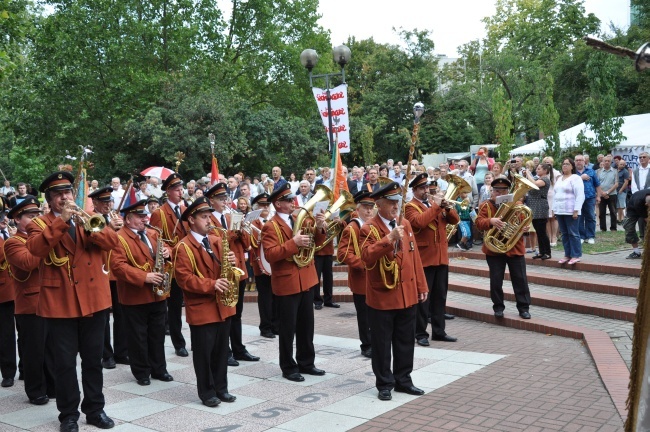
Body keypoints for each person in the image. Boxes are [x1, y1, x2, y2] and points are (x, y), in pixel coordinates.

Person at [26, 170, 119, 432]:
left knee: (93, 361)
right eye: (58, 195)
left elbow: (112, 242)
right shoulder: (40, 224)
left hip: (93, 300)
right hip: (60, 302)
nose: (64, 198)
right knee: (64, 364)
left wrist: (88, 225)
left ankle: (95, 409)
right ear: (49, 199)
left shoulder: (87, 218)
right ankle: (68, 414)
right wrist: (61, 223)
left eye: (67, 193)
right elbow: (35, 250)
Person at [359, 181, 428, 401]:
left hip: (406, 293)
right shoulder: (368, 228)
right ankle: (384, 383)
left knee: (405, 340)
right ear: (379, 204)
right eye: (390, 202)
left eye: (397, 201)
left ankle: (404, 380)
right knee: (381, 343)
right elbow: (367, 256)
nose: (396, 206)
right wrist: (388, 239)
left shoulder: (405, 223)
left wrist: (421, 285)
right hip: (383, 295)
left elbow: (414, 257)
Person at [173, 197, 238, 407]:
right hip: (202, 308)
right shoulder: (183, 247)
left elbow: (227, 265)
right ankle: (207, 392)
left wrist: (232, 261)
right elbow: (184, 279)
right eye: (204, 217)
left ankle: (222, 388)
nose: (209, 221)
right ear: (191, 220)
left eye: (209, 216)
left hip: (222, 306)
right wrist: (212, 285)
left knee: (221, 351)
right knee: (204, 354)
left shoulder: (216, 240)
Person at [261, 183, 327, 383]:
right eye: (289, 200)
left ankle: (307, 362)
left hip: (306, 278)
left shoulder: (298, 219)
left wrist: (321, 226)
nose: (293, 203)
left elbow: (316, 241)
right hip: (287, 283)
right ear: (278, 203)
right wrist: (294, 243)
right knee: (288, 329)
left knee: (307, 325)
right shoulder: (269, 226)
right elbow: (271, 255)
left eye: (292, 199)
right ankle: (288, 367)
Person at [110, 200, 173, 387]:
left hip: (157, 293)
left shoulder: (153, 234)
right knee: (137, 336)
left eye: (144, 215)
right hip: (135, 295)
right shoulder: (119, 238)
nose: (144, 219)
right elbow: (118, 267)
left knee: (157, 333)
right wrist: (144, 277)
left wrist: (167, 253)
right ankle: (142, 372)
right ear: (128, 219)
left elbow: (165, 255)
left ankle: (159, 368)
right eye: (140, 216)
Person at [5, 197, 56, 404]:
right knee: (34, 350)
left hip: (53, 299)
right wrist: (46, 241)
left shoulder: (44, 237)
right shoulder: (13, 242)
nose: (36, 220)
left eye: (37, 215)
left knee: (54, 349)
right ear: (17, 220)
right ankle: (35, 390)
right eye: (30, 216)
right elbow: (27, 262)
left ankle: (53, 386)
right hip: (30, 303)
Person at [205, 183, 258, 367]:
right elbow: (214, 242)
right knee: (225, 314)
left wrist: (243, 228)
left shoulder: (230, 216)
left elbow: (246, 244)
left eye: (225, 198)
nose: (225, 202)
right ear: (211, 200)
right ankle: (224, 351)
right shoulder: (208, 219)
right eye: (220, 199)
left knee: (237, 313)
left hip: (238, 270)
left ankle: (238, 348)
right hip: (223, 270)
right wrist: (232, 232)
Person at [404, 174, 459, 346]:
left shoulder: (436, 206)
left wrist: (448, 208)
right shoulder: (410, 207)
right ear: (414, 190)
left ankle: (439, 331)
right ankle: (420, 333)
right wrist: (436, 206)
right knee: (423, 299)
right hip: (424, 259)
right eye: (422, 188)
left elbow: (455, 220)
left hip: (441, 258)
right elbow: (419, 222)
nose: (426, 191)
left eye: (427, 188)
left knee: (440, 297)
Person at [475, 177, 532, 319]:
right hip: (493, 249)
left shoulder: (517, 204)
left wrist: (524, 228)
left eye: (504, 190)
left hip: (514, 247)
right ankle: (498, 307)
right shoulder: (485, 206)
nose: (500, 193)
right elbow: (478, 222)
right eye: (497, 191)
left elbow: (523, 222)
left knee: (520, 279)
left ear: (509, 192)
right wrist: (490, 221)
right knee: (496, 280)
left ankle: (524, 308)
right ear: (491, 191)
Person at [148, 173, 189, 357]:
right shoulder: (159, 213)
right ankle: (178, 342)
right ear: (169, 191)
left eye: (182, 189)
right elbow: (156, 238)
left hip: (187, 262)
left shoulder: (184, 208)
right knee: (173, 306)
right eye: (178, 190)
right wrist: (170, 250)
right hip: (170, 265)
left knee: (188, 302)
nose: (181, 192)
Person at [88, 186, 129, 370]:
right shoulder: (91, 218)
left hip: (115, 271)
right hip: (101, 271)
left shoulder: (113, 217)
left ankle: (122, 352)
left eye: (109, 202)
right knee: (103, 317)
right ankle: (107, 354)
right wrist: (111, 229)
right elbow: (98, 241)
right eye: (103, 202)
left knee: (121, 314)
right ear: (95, 203)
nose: (107, 205)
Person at [337, 191, 375, 358]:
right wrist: (362, 264)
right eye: (365, 208)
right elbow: (342, 253)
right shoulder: (352, 227)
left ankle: (375, 342)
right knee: (364, 316)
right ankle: (366, 345)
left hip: (375, 277)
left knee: (375, 313)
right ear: (358, 209)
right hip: (361, 278)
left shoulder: (373, 225)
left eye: (371, 208)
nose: (368, 211)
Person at [248, 193, 278, 338]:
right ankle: (265, 327)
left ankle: (275, 324)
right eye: (262, 205)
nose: (265, 207)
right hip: (261, 264)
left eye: (267, 204)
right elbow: (251, 244)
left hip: (274, 263)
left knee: (276, 295)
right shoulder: (253, 223)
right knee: (265, 296)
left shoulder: (272, 220)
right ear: (256, 207)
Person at [552, 158, 585, 265]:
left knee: (573, 233)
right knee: (565, 234)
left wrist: (576, 210)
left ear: (572, 166)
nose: (564, 166)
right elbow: (555, 194)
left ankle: (575, 255)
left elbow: (580, 195)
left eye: (567, 164)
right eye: (563, 164)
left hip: (571, 210)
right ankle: (567, 254)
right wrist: (554, 209)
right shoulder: (559, 178)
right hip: (560, 210)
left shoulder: (575, 178)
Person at [0, 198, 17, 390]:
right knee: (5, 334)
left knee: (26, 333)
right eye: (1, 217)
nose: (4, 220)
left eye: (4, 216)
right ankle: (8, 372)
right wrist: (13, 241)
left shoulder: (10, 233)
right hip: (3, 290)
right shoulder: (9, 237)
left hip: (20, 289)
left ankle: (25, 367)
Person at [524, 163, 553, 260]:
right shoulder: (537, 178)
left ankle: (547, 252)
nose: (537, 170)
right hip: (534, 207)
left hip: (540, 207)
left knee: (542, 231)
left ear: (545, 170)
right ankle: (541, 251)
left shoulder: (545, 179)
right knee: (538, 231)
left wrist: (528, 174)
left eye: (539, 169)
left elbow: (535, 184)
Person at [574, 154, 600, 245]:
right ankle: (581, 236)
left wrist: (598, 196)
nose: (579, 162)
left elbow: (597, 184)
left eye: (580, 160)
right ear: (574, 162)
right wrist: (581, 178)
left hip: (590, 197)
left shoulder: (591, 171)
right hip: (577, 198)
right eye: (577, 160)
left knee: (590, 217)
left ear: (584, 161)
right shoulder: (572, 173)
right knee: (579, 217)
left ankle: (590, 236)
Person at [624, 189, 650, 259]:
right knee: (628, 228)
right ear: (646, 204)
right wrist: (647, 219)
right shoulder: (637, 202)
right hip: (633, 210)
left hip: (642, 205)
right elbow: (645, 217)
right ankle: (636, 252)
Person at [597, 155, 618, 232]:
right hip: (601, 194)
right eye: (605, 161)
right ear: (602, 162)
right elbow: (597, 184)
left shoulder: (615, 171)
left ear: (611, 162)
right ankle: (603, 228)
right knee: (602, 212)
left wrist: (607, 192)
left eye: (608, 161)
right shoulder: (598, 171)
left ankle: (613, 228)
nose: (606, 162)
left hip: (612, 194)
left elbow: (616, 184)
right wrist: (602, 193)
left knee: (613, 212)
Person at [617, 159, 630, 224]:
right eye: (621, 164)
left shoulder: (625, 172)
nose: (622, 165)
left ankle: (621, 219)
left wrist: (621, 190)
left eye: (623, 164)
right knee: (618, 205)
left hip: (622, 190)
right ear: (618, 164)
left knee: (621, 205)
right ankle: (620, 218)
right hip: (615, 190)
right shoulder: (615, 170)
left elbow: (626, 182)